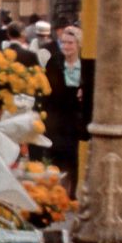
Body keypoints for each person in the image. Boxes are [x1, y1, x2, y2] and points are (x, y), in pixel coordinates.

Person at [42, 26, 86, 193]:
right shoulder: (54, 63)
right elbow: (46, 91)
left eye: (70, 43)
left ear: (78, 45)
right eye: (64, 42)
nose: (66, 46)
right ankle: (56, 193)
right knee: (56, 156)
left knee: (74, 157)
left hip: (76, 120)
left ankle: (72, 192)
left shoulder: (85, 67)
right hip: (56, 119)